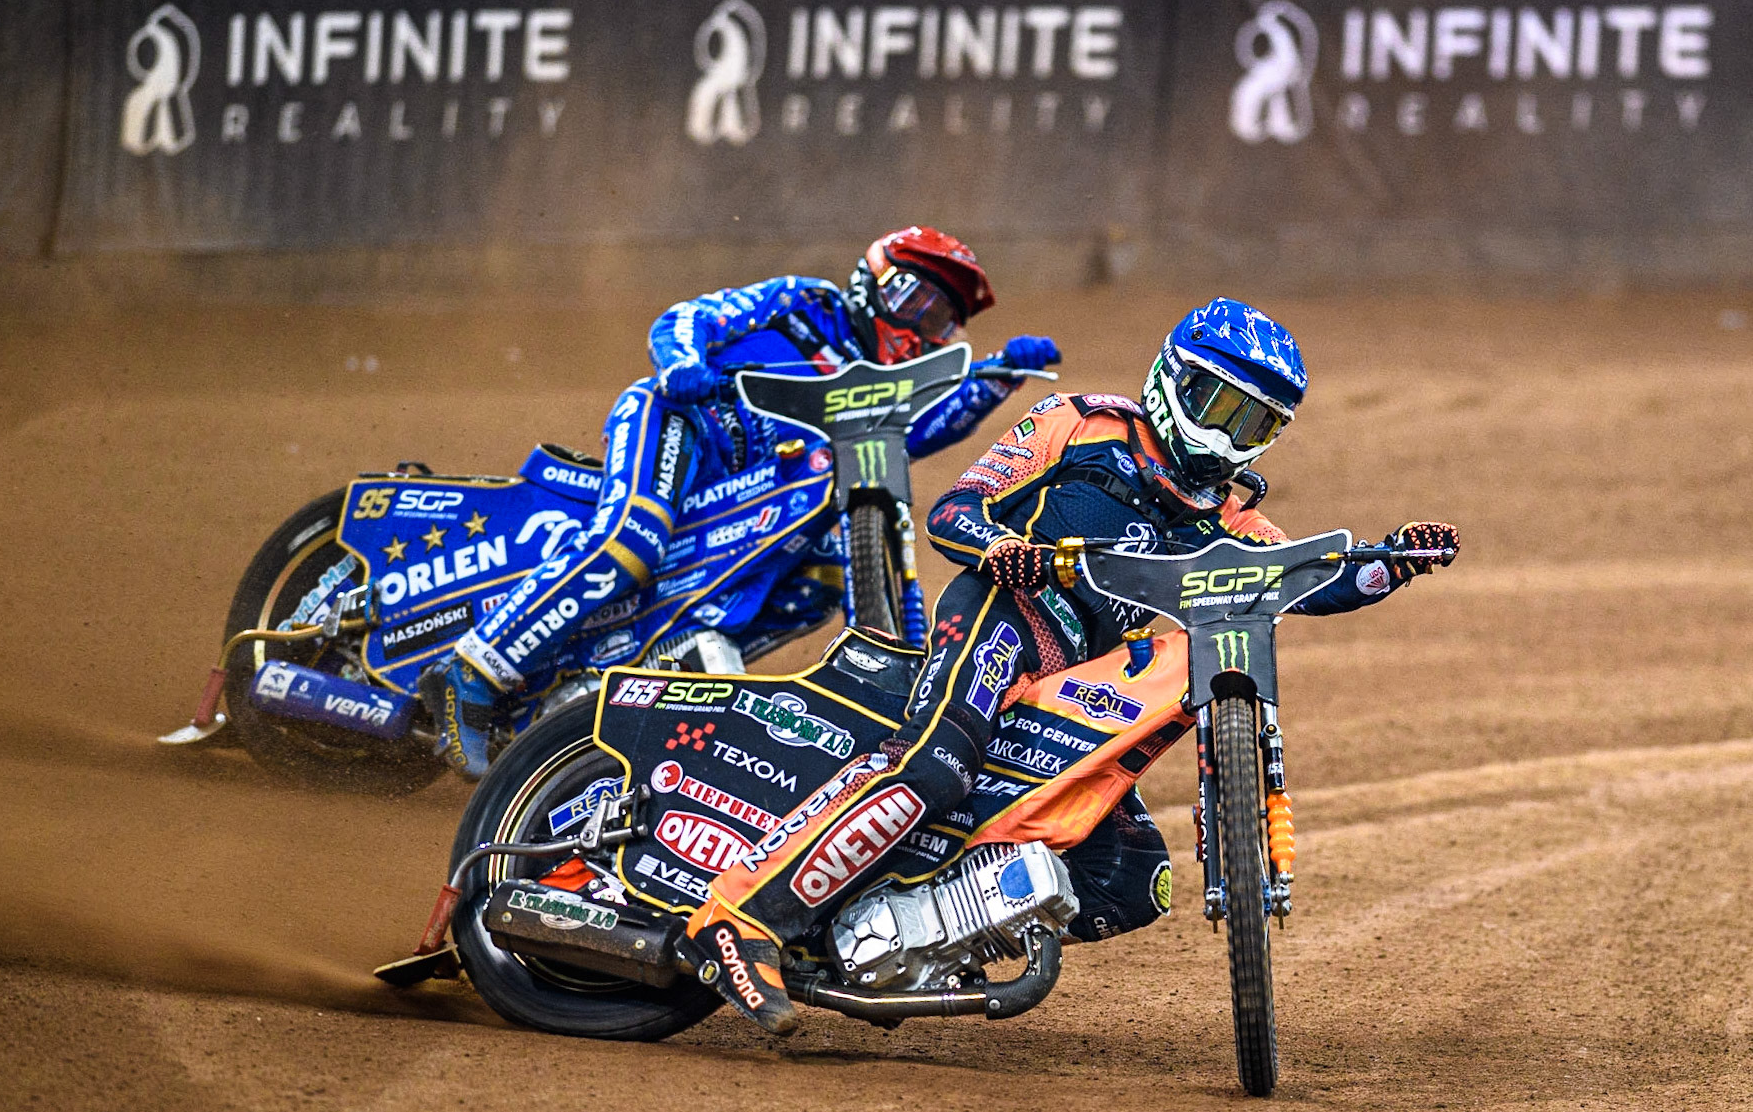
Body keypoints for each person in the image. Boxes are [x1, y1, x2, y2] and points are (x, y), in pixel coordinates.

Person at [680, 296, 1460, 1033]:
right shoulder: (1077, 422)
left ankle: (919, 930)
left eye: (1250, 421)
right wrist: (1004, 549)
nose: (1225, 436)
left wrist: (1394, 561)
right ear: (1171, 380)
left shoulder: (1226, 514)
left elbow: (1302, 579)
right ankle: (741, 917)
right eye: (1216, 405)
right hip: (1002, 619)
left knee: (1135, 875)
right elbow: (954, 511)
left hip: (1073, 680)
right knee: (933, 766)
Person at [420, 227, 1062, 779]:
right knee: (635, 540)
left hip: (755, 496)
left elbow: (913, 434)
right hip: (681, 423)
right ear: (875, 282)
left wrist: (993, 380)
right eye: (916, 300)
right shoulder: (805, 302)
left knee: (819, 582)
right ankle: (475, 669)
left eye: (940, 320)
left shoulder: (877, 386)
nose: (923, 325)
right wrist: (681, 367)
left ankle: (653, 676)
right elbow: (688, 319)